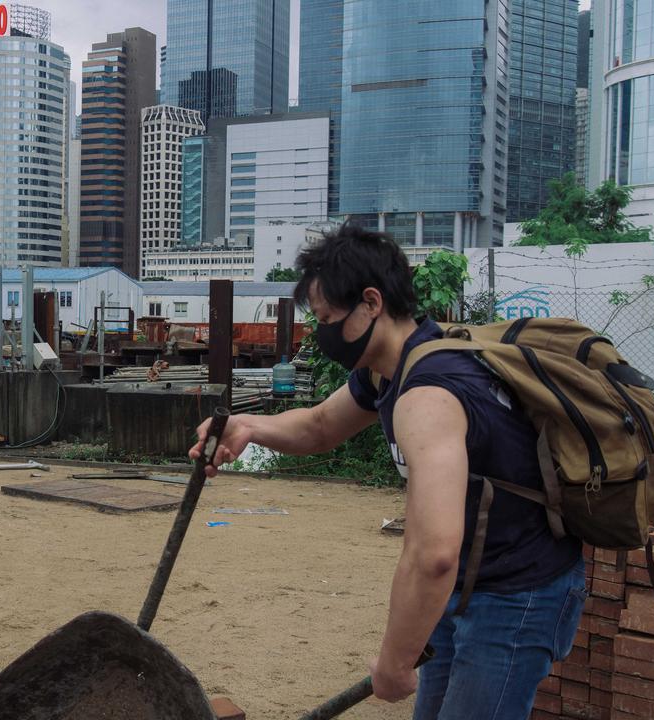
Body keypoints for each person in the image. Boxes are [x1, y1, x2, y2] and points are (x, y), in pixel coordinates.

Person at [190, 223, 585, 719]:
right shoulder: (390, 368)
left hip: (517, 592)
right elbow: (318, 427)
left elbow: (433, 552)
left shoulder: (428, 395)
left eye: (328, 318)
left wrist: (396, 661)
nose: (322, 333)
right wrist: (248, 426)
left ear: (371, 303)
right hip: (464, 586)